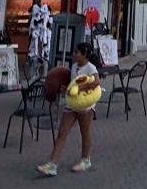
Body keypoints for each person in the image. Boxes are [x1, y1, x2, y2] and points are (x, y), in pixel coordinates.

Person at [37, 43, 101, 176]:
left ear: (84, 54)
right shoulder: (73, 67)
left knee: (85, 131)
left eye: (76, 52)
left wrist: (79, 89)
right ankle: (52, 164)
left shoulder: (90, 67)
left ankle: (85, 160)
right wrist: (65, 88)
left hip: (84, 105)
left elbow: (96, 82)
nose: (74, 54)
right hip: (71, 105)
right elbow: (72, 84)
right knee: (62, 132)